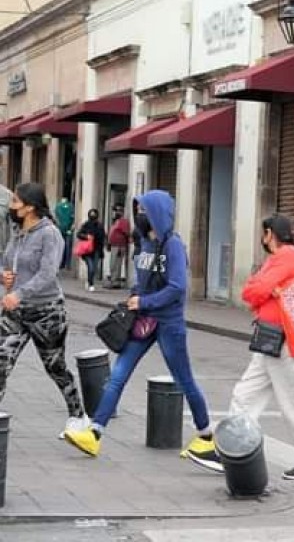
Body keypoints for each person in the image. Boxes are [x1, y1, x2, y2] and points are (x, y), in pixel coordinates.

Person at [64, 190, 214, 460]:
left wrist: (145, 302)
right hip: (143, 321)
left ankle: (206, 436)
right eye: (139, 211)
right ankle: (94, 433)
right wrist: (135, 295)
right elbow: (140, 279)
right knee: (118, 374)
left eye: (145, 211)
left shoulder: (173, 246)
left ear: (158, 214)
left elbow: (178, 287)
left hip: (169, 323)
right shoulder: (144, 243)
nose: (140, 216)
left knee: (184, 379)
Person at [186, 214, 294, 480]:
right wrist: (262, 289)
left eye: (264, 233)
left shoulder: (287, 256)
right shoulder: (281, 258)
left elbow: (254, 289)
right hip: (270, 338)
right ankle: (227, 450)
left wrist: (263, 289)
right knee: (245, 395)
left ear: (269, 233)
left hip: (284, 339)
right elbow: (253, 290)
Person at [0, 183, 87, 438]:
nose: (11, 206)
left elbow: (48, 274)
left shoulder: (49, 234)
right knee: (1, 362)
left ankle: (78, 416)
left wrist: (19, 293)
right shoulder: (17, 232)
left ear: (29, 208)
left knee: (55, 367)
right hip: (15, 314)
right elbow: (6, 263)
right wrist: (4, 277)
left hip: (47, 313)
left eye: (15, 202)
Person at [76, 209, 106, 291]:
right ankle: (91, 283)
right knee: (91, 267)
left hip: (96, 250)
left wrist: (102, 250)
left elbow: (102, 238)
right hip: (87, 251)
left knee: (94, 268)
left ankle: (89, 280)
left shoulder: (100, 226)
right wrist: (86, 236)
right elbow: (78, 234)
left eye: (94, 214)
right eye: (91, 214)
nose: (93, 216)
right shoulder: (86, 225)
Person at [106, 203, 130, 289]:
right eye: (115, 211)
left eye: (118, 211)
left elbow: (126, 233)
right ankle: (113, 280)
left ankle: (116, 281)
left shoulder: (123, 221)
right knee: (113, 263)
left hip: (119, 245)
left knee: (116, 263)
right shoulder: (116, 221)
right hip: (114, 245)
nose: (115, 213)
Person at [54, 197, 74, 270]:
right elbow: (72, 217)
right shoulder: (71, 207)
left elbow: (56, 218)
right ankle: (67, 264)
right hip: (68, 230)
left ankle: (61, 263)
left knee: (60, 246)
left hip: (60, 229)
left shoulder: (58, 207)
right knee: (68, 247)